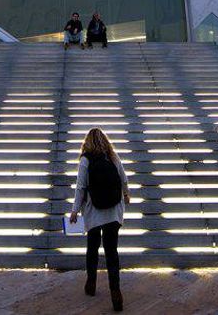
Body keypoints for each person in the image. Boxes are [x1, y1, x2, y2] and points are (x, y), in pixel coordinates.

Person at [70, 127, 130, 311]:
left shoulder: (85, 160)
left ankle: (91, 284)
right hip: (113, 212)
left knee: (92, 248)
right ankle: (116, 292)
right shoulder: (112, 156)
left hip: (93, 212)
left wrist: (74, 212)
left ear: (87, 142)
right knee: (112, 252)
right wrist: (126, 195)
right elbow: (124, 178)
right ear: (105, 140)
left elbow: (81, 188)